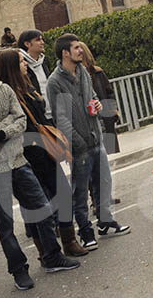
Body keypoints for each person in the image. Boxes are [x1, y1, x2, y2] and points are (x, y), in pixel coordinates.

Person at [0, 47, 79, 289]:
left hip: (19, 161)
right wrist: (5, 129)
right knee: (5, 225)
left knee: (43, 209)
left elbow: (21, 120)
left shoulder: (5, 90)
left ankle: (52, 257)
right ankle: (18, 270)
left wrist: (3, 132)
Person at [0, 49, 87, 258]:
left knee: (61, 193)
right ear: (11, 66)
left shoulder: (26, 85)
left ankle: (69, 240)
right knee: (37, 205)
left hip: (44, 149)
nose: (25, 64)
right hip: (27, 153)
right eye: (20, 61)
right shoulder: (6, 93)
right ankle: (46, 250)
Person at [47, 35, 130, 252]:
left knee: (104, 182)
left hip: (96, 137)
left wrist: (98, 107)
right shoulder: (55, 81)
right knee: (80, 191)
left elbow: (92, 95)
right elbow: (61, 118)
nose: (80, 51)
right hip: (79, 144)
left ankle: (105, 221)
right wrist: (78, 142)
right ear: (65, 52)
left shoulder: (83, 71)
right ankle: (85, 231)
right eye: (75, 48)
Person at [78, 42, 120, 155]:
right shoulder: (74, 76)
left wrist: (113, 112)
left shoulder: (97, 72)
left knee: (108, 151)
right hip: (88, 118)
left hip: (104, 115)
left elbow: (109, 93)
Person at [17, 30, 51, 106]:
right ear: (27, 44)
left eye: (42, 39)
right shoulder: (19, 64)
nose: (42, 42)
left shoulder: (45, 61)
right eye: (38, 40)